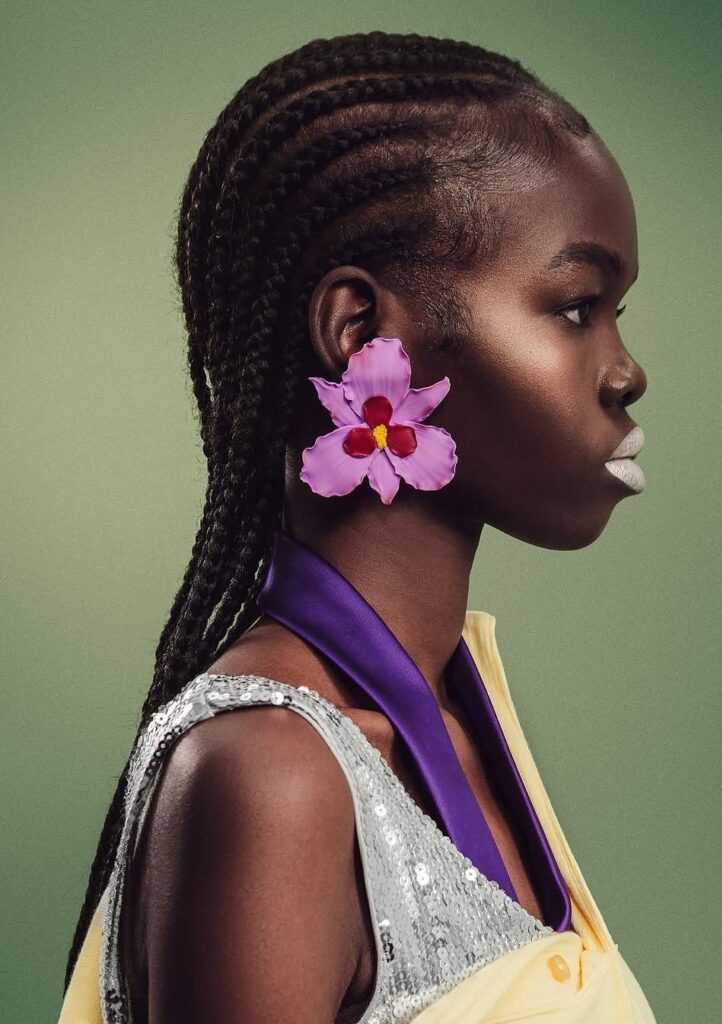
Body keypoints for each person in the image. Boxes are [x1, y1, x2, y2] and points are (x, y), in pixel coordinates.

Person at [57, 29, 656, 1023]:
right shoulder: (269, 773)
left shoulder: (463, 713)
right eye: (580, 305)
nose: (627, 369)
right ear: (362, 336)